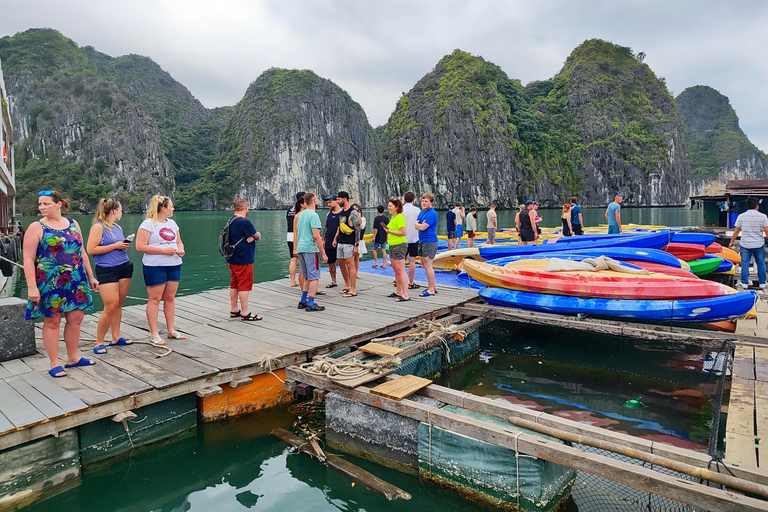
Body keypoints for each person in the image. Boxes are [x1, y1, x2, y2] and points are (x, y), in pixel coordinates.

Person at [23, 190, 98, 378]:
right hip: (50, 282)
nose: (41, 207)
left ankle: (73, 357)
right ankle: (55, 362)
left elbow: (81, 252)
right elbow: (28, 259)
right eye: (40, 204)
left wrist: (91, 275)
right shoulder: (36, 227)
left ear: (59, 204)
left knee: (76, 318)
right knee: (53, 320)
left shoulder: (73, 224)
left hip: (76, 280)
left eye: (46, 203)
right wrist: (32, 287)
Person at [136, 195, 185, 346]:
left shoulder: (173, 223)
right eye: (171, 206)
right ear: (163, 209)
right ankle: (154, 334)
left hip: (174, 263)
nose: (173, 209)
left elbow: (178, 241)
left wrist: (181, 249)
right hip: (154, 266)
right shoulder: (148, 224)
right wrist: (163, 251)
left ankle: (171, 330)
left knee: (170, 298)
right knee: (155, 299)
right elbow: (140, 246)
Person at [87, 198, 134, 355]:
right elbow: (91, 249)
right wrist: (115, 246)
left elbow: (116, 247)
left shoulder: (117, 227)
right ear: (114, 211)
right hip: (107, 270)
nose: (122, 212)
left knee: (119, 304)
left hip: (123, 267)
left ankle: (115, 337)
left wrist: (122, 246)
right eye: (120, 210)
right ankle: (99, 341)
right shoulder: (98, 227)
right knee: (110, 305)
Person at [227, 198, 262, 321]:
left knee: (234, 284)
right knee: (244, 285)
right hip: (244, 259)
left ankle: (234, 309)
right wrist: (253, 235)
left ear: (234, 208)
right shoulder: (244, 222)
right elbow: (258, 236)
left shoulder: (230, 220)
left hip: (232, 258)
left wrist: (250, 235)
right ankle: (245, 312)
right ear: (245, 208)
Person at [295, 193, 328, 311]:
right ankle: (311, 303)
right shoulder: (313, 215)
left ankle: (303, 300)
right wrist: (323, 253)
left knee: (307, 276)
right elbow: (316, 236)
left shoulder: (301, 215)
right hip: (310, 249)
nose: (318, 200)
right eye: (317, 199)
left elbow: (298, 232)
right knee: (314, 276)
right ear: (314, 201)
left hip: (301, 248)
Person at [728, 197, 768, 289]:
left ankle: (744, 283)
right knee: (761, 263)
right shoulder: (763, 216)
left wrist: (731, 242)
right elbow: (766, 231)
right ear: (757, 206)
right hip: (759, 244)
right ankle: (762, 283)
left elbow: (736, 231)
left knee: (745, 263)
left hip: (745, 244)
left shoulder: (741, 216)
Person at [333, 191, 360, 298]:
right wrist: (335, 238)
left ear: (344, 199)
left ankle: (353, 289)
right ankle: (347, 284)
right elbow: (340, 226)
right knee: (341, 263)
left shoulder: (353, 212)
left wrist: (356, 245)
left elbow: (358, 229)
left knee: (350, 264)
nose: (337, 201)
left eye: (338, 199)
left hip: (350, 242)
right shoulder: (341, 212)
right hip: (341, 241)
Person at [382, 199, 409, 301]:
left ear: (396, 207)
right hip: (393, 245)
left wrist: (390, 231)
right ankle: (398, 290)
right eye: (388, 206)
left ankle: (405, 294)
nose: (388, 208)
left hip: (399, 245)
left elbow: (403, 232)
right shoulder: (393, 218)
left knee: (400, 270)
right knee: (396, 270)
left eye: (390, 206)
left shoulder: (399, 218)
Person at [415, 193, 439, 296]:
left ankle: (431, 289)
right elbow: (417, 224)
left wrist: (418, 225)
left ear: (431, 202)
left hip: (430, 241)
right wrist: (418, 225)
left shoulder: (432, 213)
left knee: (428, 265)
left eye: (426, 201)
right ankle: (433, 286)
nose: (424, 203)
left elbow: (422, 227)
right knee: (424, 264)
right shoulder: (422, 212)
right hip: (422, 240)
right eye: (423, 201)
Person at [402, 191, 421, 290]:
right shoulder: (417, 210)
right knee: (412, 261)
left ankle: (398, 280)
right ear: (414, 200)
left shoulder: (400, 210)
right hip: (414, 238)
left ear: (404, 199)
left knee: (401, 260)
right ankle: (410, 282)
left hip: (402, 238)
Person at [287, 192, 306, 287]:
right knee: (301, 259)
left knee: (293, 259)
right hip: (297, 235)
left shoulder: (290, 209)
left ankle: (293, 280)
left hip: (289, 234)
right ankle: (302, 281)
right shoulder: (301, 211)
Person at [323, 195, 341, 288]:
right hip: (329, 241)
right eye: (327, 202)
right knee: (331, 262)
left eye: (330, 202)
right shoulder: (328, 214)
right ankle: (334, 281)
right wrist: (324, 239)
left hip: (340, 241)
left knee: (344, 262)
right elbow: (326, 227)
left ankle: (348, 281)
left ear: (336, 201)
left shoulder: (342, 213)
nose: (328, 204)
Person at [292, 196, 307, 292]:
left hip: (309, 243)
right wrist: (295, 248)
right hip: (302, 244)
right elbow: (295, 233)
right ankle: (304, 290)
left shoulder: (310, 214)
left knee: (310, 269)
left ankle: (311, 288)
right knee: (302, 268)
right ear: (301, 204)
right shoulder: (298, 216)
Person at [351, 203, 367, 275]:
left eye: (357, 210)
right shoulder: (350, 219)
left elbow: (362, 227)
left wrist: (359, 218)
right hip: (351, 240)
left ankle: (356, 273)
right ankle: (351, 272)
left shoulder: (363, 219)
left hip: (359, 240)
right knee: (350, 258)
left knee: (356, 258)